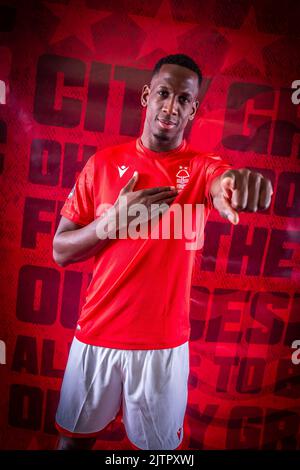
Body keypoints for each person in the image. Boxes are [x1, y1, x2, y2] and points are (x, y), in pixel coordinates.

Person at [53, 54, 273, 450]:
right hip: (96, 335)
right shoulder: (103, 164)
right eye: (164, 94)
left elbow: (223, 182)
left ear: (194, 109)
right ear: (146, 96)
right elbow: (60, 251)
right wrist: (110, 223)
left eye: (183, 99)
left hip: (163, 346)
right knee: (72, 445)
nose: (171, 107)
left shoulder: (203, 167)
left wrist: (233, 188)